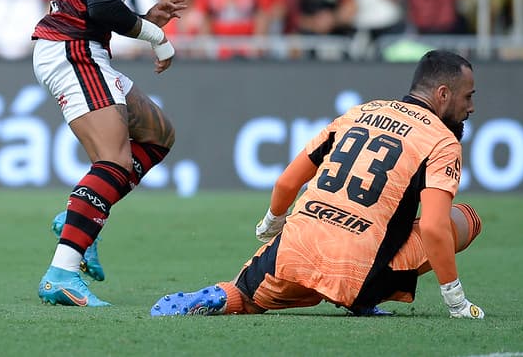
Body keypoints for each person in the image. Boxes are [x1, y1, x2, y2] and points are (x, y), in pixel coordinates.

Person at [150, 50, 485, 320]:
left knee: (244, 296)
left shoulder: (359, 112)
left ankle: (221, 296)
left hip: (293, 252)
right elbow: (434, 227)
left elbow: (286, 182)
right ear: (443, 94)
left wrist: (272, 222)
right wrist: (455, 299)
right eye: (467, 97)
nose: (470, 108)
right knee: (465, 218)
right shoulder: (441, 140)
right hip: (359, 272)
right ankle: (365, 300)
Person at [31, 0, 193, 307]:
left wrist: (146, 17)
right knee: (115, 163)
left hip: (81, 46)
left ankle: (78, 215)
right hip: (71, 48)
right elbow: (100, 6)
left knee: (159, 134)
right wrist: (155, 37)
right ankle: (62, 272)